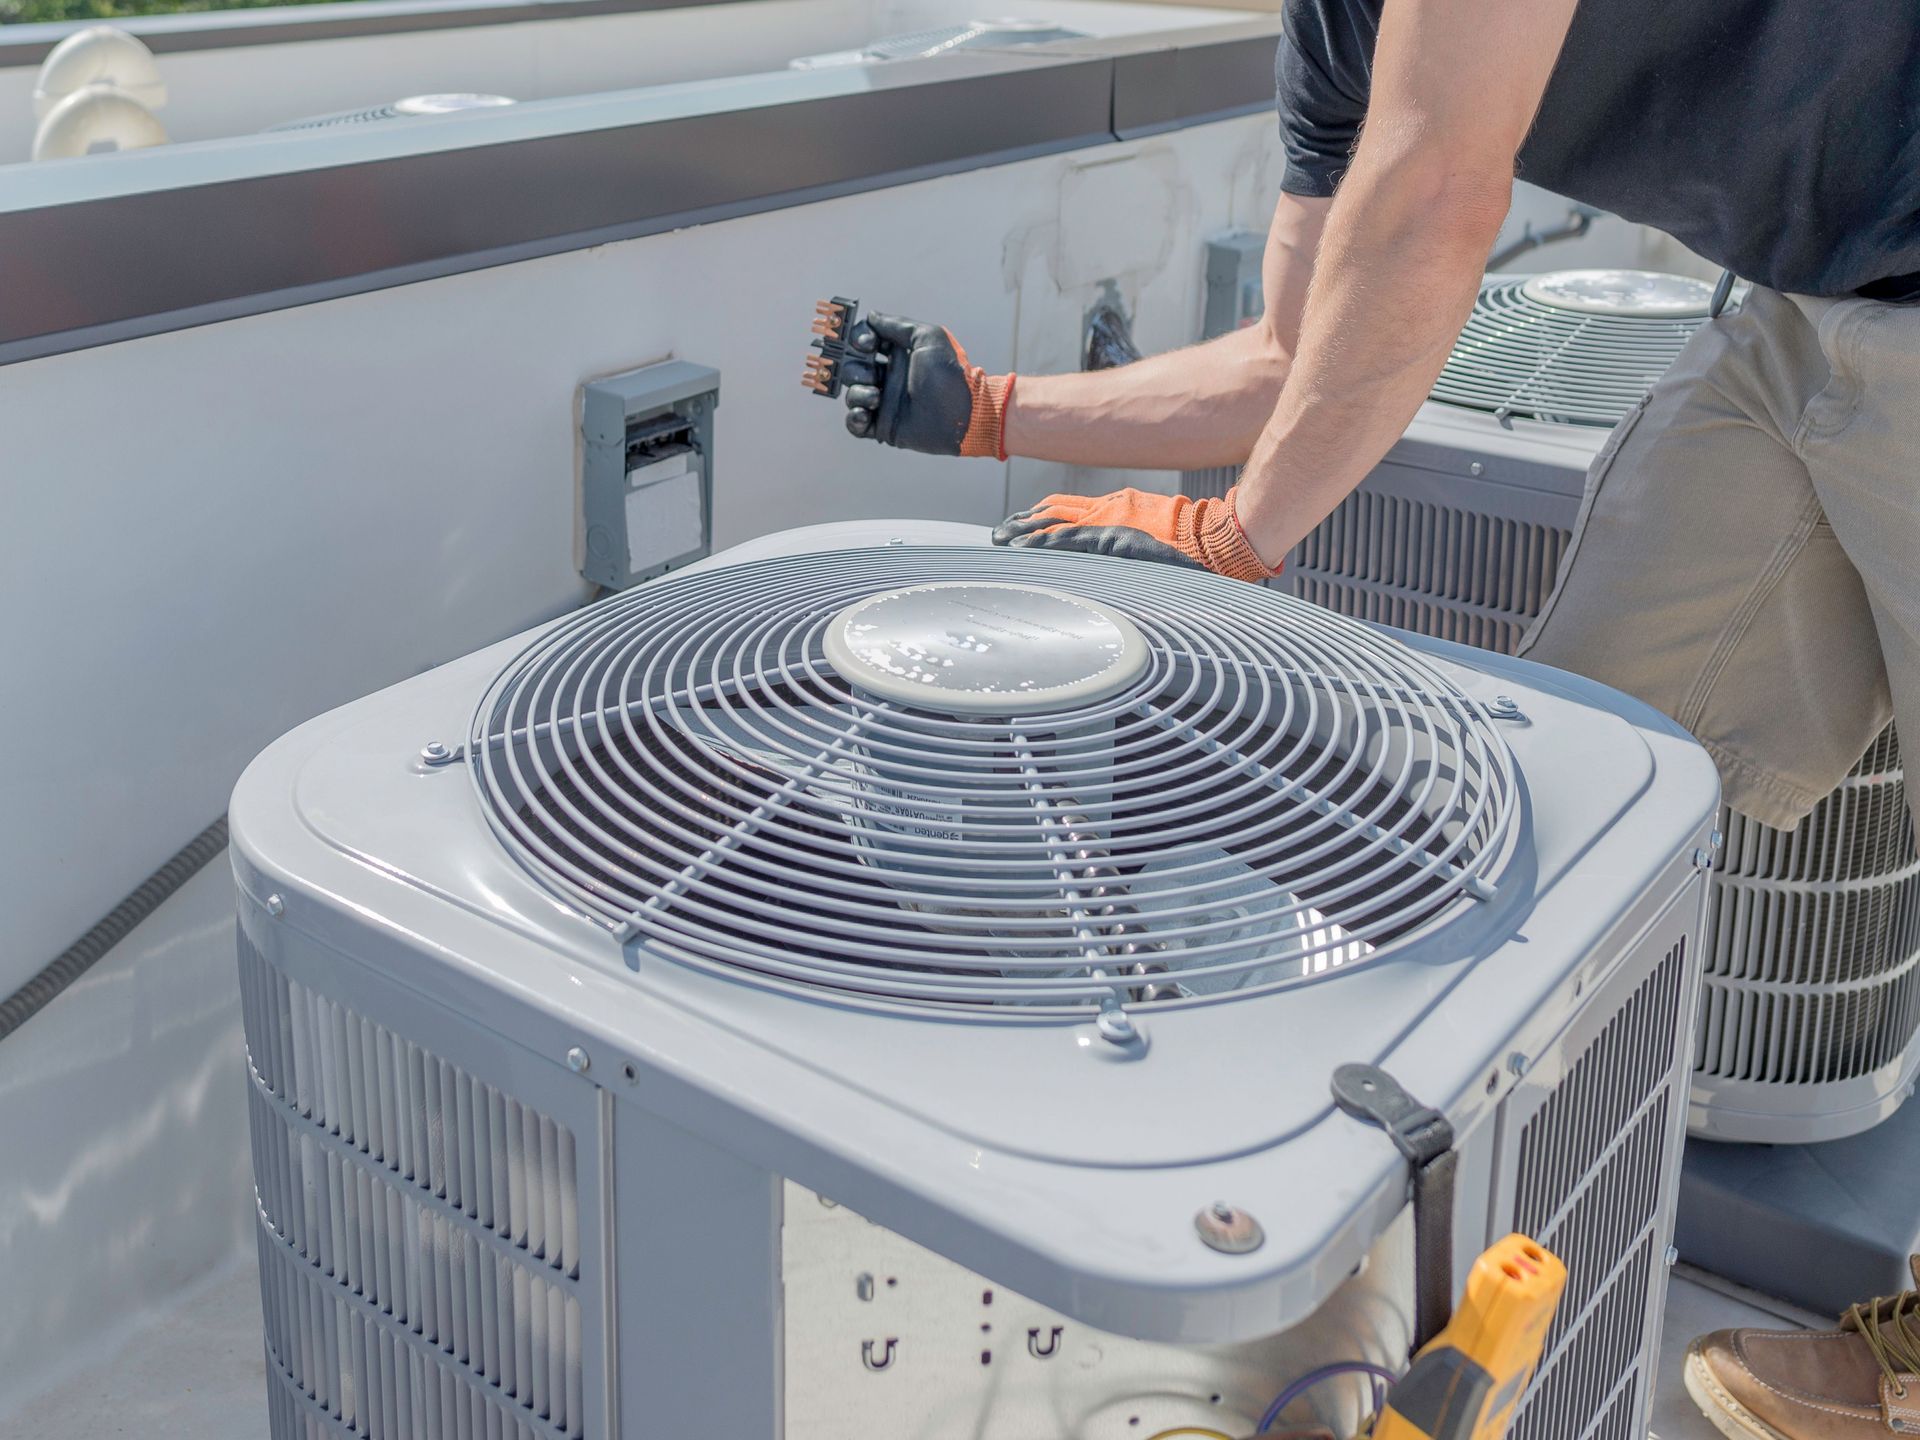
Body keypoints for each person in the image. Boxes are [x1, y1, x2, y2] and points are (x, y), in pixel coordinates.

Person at [825, 1, 1920, 1434]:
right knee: (1590, 781)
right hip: (1804, 304)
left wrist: (1230, 533)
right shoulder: (1336, 33)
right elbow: (1301, 349)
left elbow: (1438, 202)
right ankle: (1450, 1286)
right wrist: (991, 409)